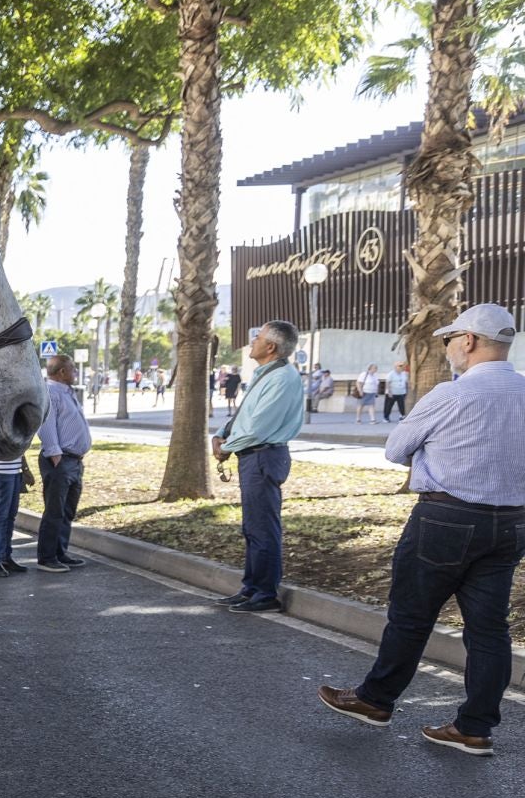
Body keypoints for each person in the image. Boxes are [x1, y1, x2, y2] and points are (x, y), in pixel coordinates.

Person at [317, 305, 524, 754]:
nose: (447, 346)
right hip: (511, 523)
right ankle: (474, 728)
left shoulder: (450, 394)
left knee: (412, 616)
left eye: (450, 338)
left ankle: (376, 700)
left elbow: (395, 449)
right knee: (489, 630)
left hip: (446, 518)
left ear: (468, 341)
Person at [211, 321, 306, 614]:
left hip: (263, 456)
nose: (253, 341)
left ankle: (266, 593)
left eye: (259, 337)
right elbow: (245, 417)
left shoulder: (282, 378)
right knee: (252, 527)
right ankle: (251, 587)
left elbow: (258, 428)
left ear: (271, 347)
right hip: (253, 456)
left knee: (263, 527)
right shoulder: (266, 374)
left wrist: (225, 448)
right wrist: (222, 433)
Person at [33, 353, 91, 572]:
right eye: (73, 369)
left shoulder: (67, 392)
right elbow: (46, 424)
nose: (76, 372)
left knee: (67, 510)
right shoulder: (50, 392)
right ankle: (47, 558)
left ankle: (60, 552)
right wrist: (54, 452)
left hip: (74, 461)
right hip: (60, 460)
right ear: (62, 372)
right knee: (55, 510)